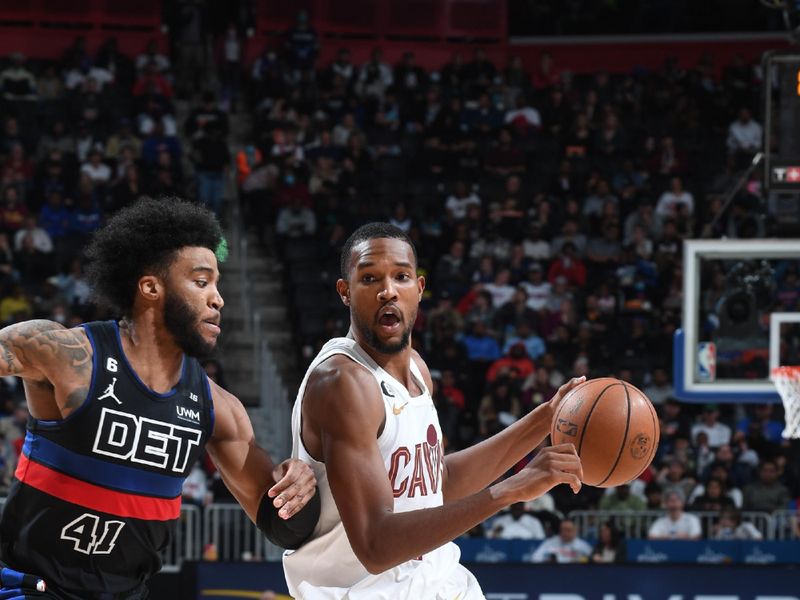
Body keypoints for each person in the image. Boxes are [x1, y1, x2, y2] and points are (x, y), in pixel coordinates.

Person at [0, 198, 319, 599]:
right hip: (31, 589)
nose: (218, 299)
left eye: (217, 285)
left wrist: (300, 485)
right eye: (202, 282)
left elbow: (282, 525)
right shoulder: (65, 354)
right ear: (151, 287)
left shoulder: (219, 409)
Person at [282, 223, 584, 599]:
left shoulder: (417, 371)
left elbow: (437, 484)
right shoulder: (343, 383)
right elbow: (376, 546)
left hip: (435, 581)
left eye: (401, 277)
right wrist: (508, 492)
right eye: (370, 278)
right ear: (346, 292)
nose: (388, 291)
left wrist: (544, 420)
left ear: (419, 289)